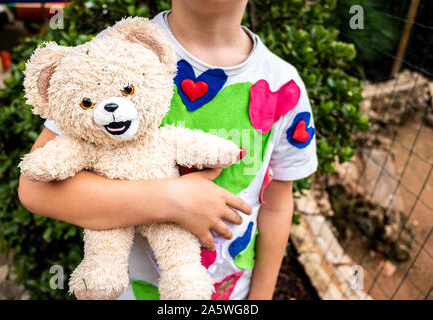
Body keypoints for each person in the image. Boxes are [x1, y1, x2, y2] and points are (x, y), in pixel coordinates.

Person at [18, 0, 317, 300]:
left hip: (232, 294)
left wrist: (260, 298)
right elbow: (36, 189)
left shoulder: (284, 85)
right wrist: (171, 200)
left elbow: (277, 205)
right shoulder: (117, 51)